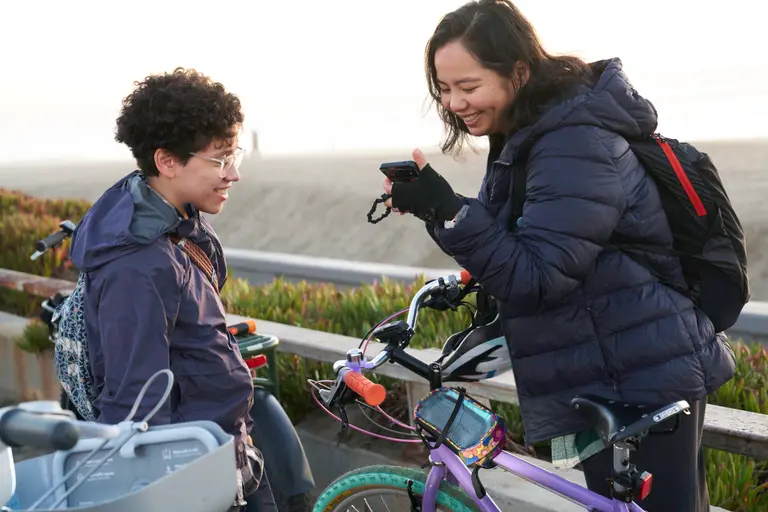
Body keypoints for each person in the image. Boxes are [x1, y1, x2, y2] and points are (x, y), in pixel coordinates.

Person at [382, 1, 735, 510]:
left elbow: (539, 275)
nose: (455, 102)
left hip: (642, 373)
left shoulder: (574, 143)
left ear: (518, 71)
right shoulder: (530, 134)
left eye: (468, 86)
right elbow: (514, 245)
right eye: (444, 89)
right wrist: (439, 212)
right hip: (611, 363)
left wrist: (449, 209)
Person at [67, 68, 277, 511]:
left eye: (235, 154)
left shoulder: (175, 225)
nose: (234, 173)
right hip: (191, 476)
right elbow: (132, 403)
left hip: (222, 454)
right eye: (220, 159)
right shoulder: (137, 264)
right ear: (167, 161)